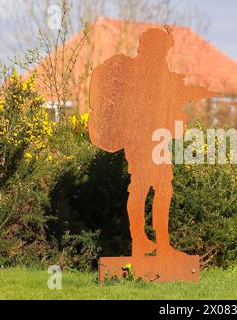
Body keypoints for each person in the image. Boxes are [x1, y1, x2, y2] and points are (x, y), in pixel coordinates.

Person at [89, 26, 214, 257]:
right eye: (163, 48)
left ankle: (152, 242)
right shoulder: (144, 69)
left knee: (157, 187)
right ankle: (145, 241)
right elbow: (160, 96)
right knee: (148, 187)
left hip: (154, 138)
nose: (166, 53)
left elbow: (168, 94)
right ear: (154, 47)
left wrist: (192, 92)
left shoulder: (150, 66)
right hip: (144, 139)